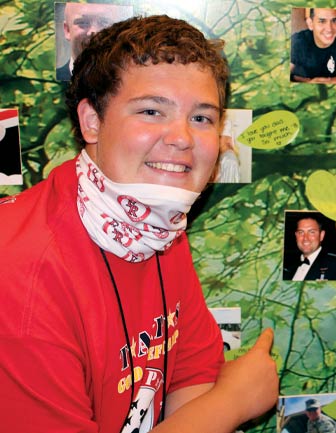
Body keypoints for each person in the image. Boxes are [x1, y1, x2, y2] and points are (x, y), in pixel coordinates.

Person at [0, 15, 278, 433]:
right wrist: (233, 402)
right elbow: (210, 405)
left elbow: (190, 374)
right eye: (151, 111)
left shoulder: (156, 221)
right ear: (92, 121)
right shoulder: (20, 271)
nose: (182, 137)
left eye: (202, 118)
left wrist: (215, 405)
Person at [56, 2, 132, 81]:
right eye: (83, 22)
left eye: (104, 22)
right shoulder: (50, 82)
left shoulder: (129, 81)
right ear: (67, 30)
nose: (94, 32)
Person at [290, 8, 336, 84]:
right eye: (322, 21)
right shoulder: (298, 40)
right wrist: (309, 82)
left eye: (334, 21)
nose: (329, 29)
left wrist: (318, 83)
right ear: (310, 24)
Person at [284, 214, 336, 281]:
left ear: (321, 235)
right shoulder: (286, 269)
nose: (305, 238)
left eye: (311, 232)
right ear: (296, 236)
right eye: (301, 232)